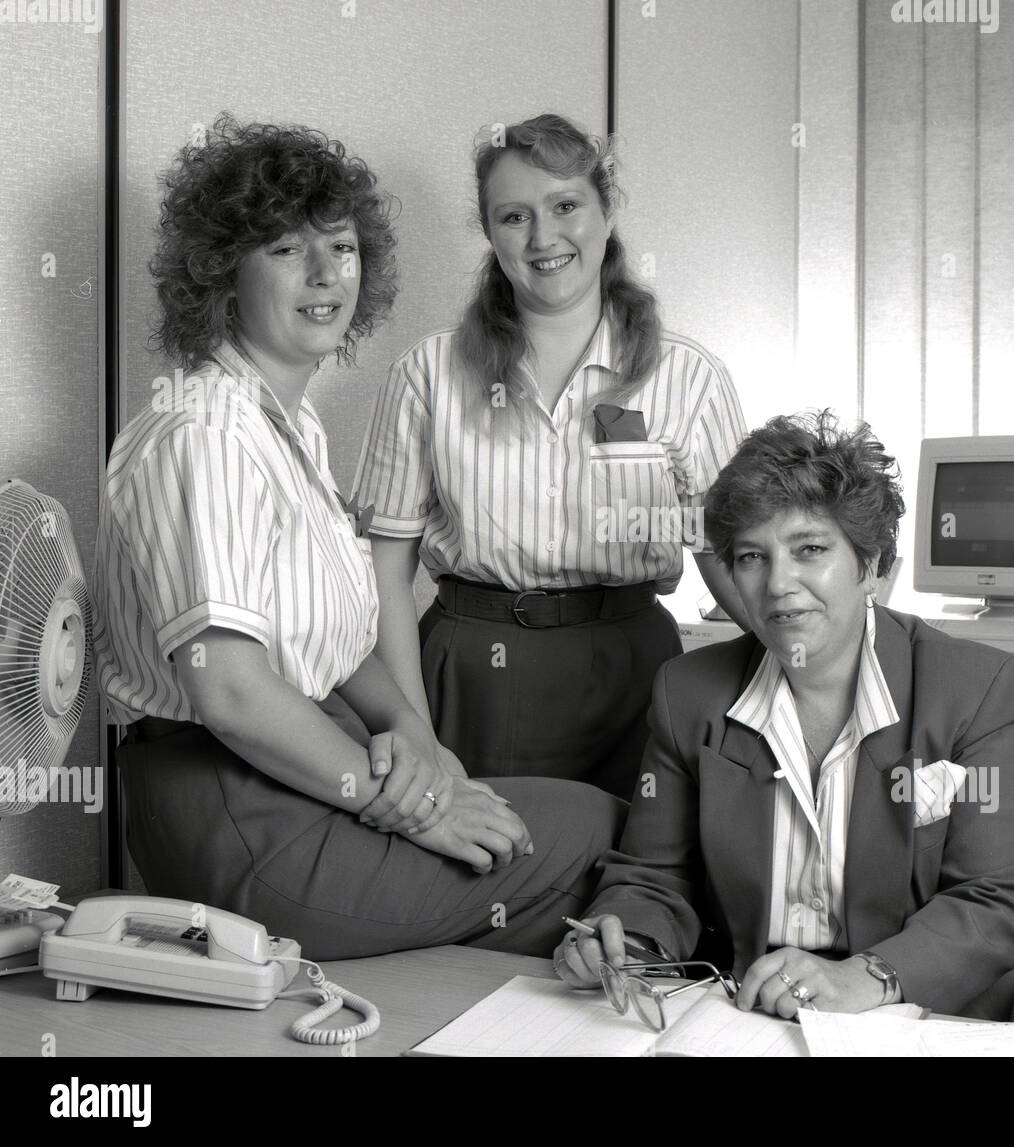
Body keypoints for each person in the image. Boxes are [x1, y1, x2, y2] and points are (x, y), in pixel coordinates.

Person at [94, 115, 622, 961]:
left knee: (548, 825)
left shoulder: (288, 425)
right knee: (596, 833)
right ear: (221, 274)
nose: (323, 274)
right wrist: (409, 803)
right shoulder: (205, 432)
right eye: (285, 249)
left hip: (300, 771)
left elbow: (332, 643)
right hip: (233, 811)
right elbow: (229, 693)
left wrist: (417, 736)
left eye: (339, 247)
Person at [553, 411, 1014, 1018]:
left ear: (872, 564)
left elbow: (995, 903)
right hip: (746, 1013)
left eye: (809, 549)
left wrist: (867, 977)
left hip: (906, 1011)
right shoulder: (689, 695)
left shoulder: (976, 690)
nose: (779, 584)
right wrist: (627, 942)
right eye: (752, 557)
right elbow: (656, 876)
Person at [352, 113, 748, 801]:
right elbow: (384, 574)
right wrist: (415, 729)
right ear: (489, 232)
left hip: (635, 667)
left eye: (565, 205)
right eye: (514, 216)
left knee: (634, 875)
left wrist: (830, 651)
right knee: (480, 877)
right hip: (470, 667)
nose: (543, 238)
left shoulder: (688, 378)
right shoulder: (429, 373)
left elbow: (731, 556)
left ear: (604, 209)